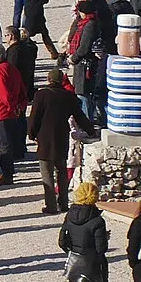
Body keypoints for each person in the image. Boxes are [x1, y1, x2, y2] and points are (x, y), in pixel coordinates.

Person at [27, 63, 91, 215]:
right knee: (61, 170)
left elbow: (35, 117)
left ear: (49, 79)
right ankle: (63, 203)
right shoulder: (68, 96)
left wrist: (31, 133)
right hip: (62, 136)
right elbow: (79, 116)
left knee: (47, 172)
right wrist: (90, 130)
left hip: (45, 137)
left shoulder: (41, 95)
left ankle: (51, 205)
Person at [0, 49, 29, 188]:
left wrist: (11, 107)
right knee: (8, 142)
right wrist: (20, 106)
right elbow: (23, 90)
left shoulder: (0, 71)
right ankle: (7, 172)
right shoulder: (12, 68)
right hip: (11, 112)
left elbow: (3, 93)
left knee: (3, 145)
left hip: (2, 112)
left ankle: (7, 174)